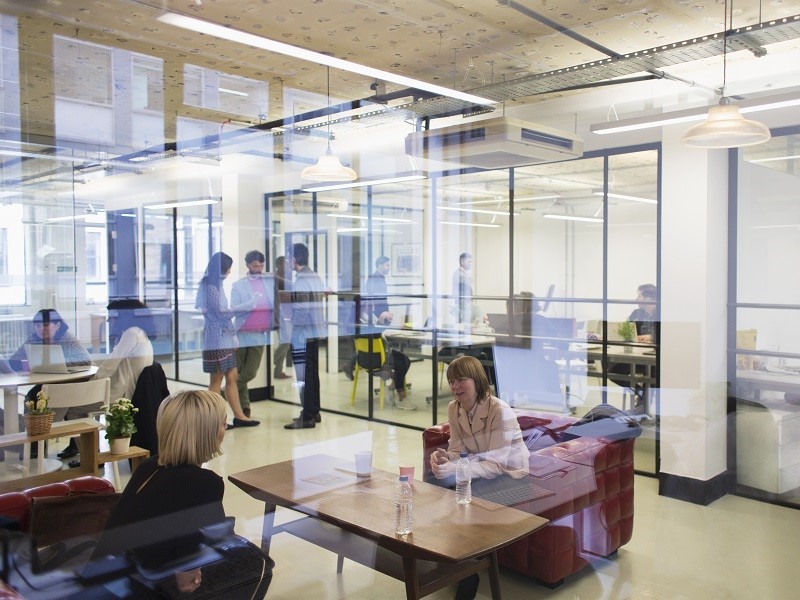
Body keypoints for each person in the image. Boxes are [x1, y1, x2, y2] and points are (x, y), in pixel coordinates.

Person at [92, 390, 273, 597]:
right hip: (138, 588)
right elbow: (192, 563)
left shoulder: (150, 466)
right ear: (207, 432)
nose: (225, 431)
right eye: (223, 424)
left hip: (108, 577)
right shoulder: (204, 483)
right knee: (258, 564)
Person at [429, 355, 530, 600]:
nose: (455, 387)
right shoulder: (455, 408)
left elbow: (496, 465)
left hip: (510, 477)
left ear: (477, 379)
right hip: (477, 471)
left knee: (470, 499)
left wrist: (457, 469)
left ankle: (468, 569)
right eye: (452, 381)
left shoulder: (500, 411)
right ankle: (446, 558)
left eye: (461, 380)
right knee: (432, 484)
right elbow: (456, 450)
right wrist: (444, 459)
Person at [60, 299, 157, 462]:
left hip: (121, 396)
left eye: (111, 316)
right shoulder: (141, 333)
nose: (108, 320)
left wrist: (90, 384)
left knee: (73, 409)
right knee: (83, 406)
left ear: (124, 317)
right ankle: (92, 455)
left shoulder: (131, 333)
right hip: (128, 392)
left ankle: (90, 459)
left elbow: (111, 364)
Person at [196, 252, 259, 428]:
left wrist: (232, 334)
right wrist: (247, 306)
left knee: (232, 376)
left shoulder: (216, 285)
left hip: (223, 337)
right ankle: (215, 421)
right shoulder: (210, 288)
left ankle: (239, 416)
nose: (229, 271)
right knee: (216, 380)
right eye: (227, 268)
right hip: (217, 339)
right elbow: (222, 314)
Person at [284, 243, 325, 429]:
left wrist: (293, 327)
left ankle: (307, 416)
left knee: (304, 376)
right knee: (312, 374)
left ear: (294, 259)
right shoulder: (315, 276)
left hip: (303, 333)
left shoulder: (301, 280)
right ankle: (313, 411)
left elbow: (301, 309)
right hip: (315, 332)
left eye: (288, 258)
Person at [230, 250, 275, 418]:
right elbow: (234, 309)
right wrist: (252, 302)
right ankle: (244, 408)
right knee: (239, 370)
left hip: (259, 333)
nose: (259, 268)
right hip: (241, 332)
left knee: (250, 372)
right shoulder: (238, 285)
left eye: (262, 265)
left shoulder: (269, 281)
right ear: (248, 265)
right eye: (256, 265)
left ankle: (224, 391)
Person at [609, 283, 659, 413]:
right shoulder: (636, 313)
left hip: (655, 358)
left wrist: (652, 337)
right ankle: (639, 391)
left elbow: (669, 335)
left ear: (648, 299)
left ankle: (642, 408)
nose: (636, 298)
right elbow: (626, 331)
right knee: (613, 371)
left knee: (653, 375)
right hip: (637, 356)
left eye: (639, 295)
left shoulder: (662, 313)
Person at [272, 255, 292, 379]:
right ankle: (271, 361)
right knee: (286, 342)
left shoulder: (285, 278)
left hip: (288, 314)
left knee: (285, 341)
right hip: (279, 314)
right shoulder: (276, 278)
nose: (288, 266)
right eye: (285, 264)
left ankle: (278, 371)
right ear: (279, 265)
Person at [452, 252, 473, 324]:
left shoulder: (463, 274)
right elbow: (463, 291)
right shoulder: (459, 274)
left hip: (464, 306)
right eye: (469, 262)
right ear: (462, 262)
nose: (470, 264)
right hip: (462, 306)